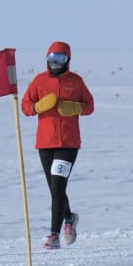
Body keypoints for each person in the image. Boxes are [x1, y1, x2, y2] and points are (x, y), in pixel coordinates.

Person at [21, 41, 95, 249]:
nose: (55, 63)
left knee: (58, 184)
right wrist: (36, 106)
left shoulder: (76, 82)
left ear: (67, 61)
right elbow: (25, 106)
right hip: (45, 142)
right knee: (55, 189)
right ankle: (69, 218)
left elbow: (90, 106)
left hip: (68, 143)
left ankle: (53, 235)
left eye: (60, 59)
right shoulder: (39, 81)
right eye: (52, 59)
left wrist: (75, 107)